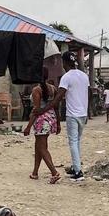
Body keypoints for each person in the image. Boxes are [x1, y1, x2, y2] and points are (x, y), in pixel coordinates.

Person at [33, 52, 89, 182]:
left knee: (73, 142)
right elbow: (89, 93)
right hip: (83, 113)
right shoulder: (84, 75)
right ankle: (76, 167)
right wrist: (87, 110)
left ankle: (78, 172)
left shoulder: (66, 77)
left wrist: (43, 110)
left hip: (72, 114)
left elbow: (58, 98)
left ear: (65, 63)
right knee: (78, 141)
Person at [24, 77, 62, 183]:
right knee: (39, 146)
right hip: (51, 119)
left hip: (41, 121)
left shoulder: (36, 90)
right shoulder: (53, 88)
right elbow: (56, 107)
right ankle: (35, 172)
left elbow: (36, 111)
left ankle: (54, 172)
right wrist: (58, 123)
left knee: (42, 148)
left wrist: (28, 126)